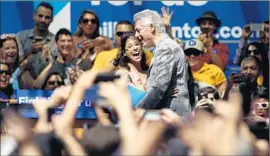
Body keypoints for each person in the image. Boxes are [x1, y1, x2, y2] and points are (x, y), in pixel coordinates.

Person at [134, 9, 191, 117]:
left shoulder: (166, 48)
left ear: (151, 28)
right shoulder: (164, 47)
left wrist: (136, 112)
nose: (136, 35)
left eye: (138, 30)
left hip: (172, 117)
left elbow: (158, 88)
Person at [16, 2, 56, 79]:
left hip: (47, 85)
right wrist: (30, 51)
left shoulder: (55, 40)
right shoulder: (20, 36)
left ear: (52, 20)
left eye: (47, 17)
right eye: (40, 16)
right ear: (34, 16)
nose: (43, 20)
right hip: (23, 86)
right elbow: (14, 65)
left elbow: (58, 67)